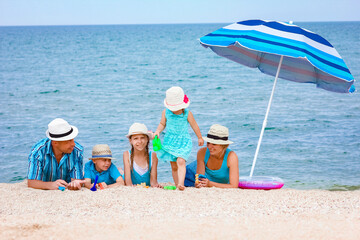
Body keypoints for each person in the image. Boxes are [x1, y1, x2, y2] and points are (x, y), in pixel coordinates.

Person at [154, 86, 203, 190]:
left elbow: (194, 125)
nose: (173, 110)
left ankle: (181, 183)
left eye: (175, 108)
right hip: (170, 141)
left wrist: (199, 137)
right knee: (173, 165)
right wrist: (158, 131)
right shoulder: (166, 112)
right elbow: (162, 123)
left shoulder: (187, 113)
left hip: (183, 141)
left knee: (181, 161)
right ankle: (177, 185)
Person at [27, 118, 85, 190]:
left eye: (73, 139)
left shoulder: (77, 151)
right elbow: (31, 182)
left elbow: (76, 180)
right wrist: (50, 185)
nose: (73, 144)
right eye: (68, 141)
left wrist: (75, 183)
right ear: (55, 142)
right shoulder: (38, 152)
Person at [184, 124, 239, 188]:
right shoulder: (202, 152)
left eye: (214, 144)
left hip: (209, 182)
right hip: (190, 174)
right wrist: (199, 183)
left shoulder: (231, 157)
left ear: (223, 145)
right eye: (208, 143)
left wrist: (210, 184)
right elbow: (200, 179)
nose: (209, 147)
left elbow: (234, 186)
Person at [123, 123, 161, 187]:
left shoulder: (153, 156)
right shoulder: (127, 155)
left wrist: (156, 186)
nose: (139, 141)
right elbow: (128, 184)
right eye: (135, 138)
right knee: (121, 174)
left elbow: (153, 183)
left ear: (147, 139)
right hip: (125, 178)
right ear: (130, 141)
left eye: (142, 138)